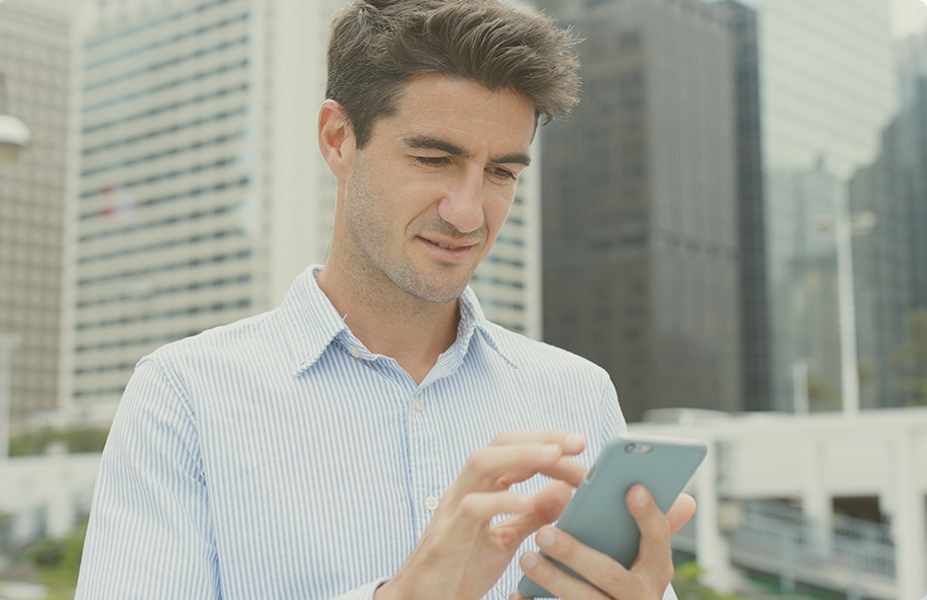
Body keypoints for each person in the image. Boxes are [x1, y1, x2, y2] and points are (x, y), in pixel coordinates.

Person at [75, 0, 696, 598]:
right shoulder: (185, 396)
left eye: (502, 172)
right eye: (434, 159)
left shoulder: (578, 393)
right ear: (338, 138)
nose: (468, 213)